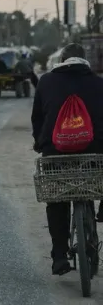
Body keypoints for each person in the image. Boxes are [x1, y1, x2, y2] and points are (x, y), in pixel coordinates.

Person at [31, 43, 103, 275]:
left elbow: (37, 118)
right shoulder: (99, 83)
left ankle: (60, 255)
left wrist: (40, 142)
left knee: (57, 200)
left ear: (61, 60)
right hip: (94, 153)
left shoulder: (46, 81)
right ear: (85, 61)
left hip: (56, 151)